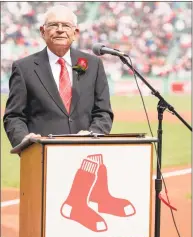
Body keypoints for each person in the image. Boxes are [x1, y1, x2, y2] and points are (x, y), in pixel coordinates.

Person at [3, 5, 114, 148]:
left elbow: (103, 112)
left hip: (85, 154)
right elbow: (14, 116)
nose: (60, 29)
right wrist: (24, 140)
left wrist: (92, 135)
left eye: (66, 25)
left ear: (75, 32)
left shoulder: (93, 65)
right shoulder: (24, 68)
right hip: (41, 155)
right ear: (43, 31)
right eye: (54, 25)